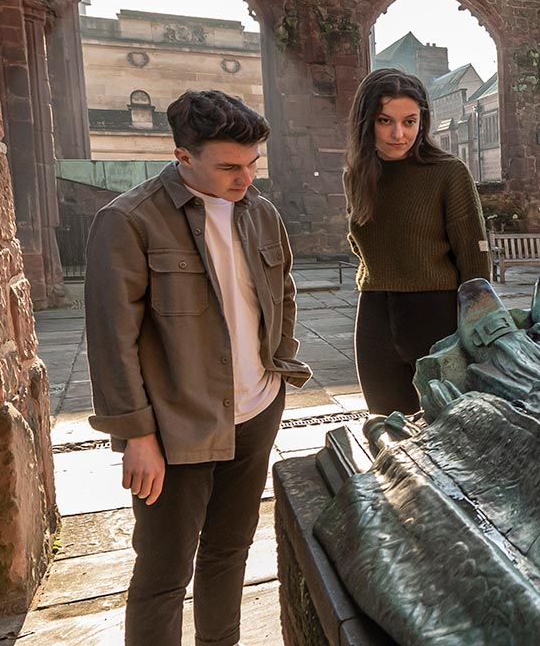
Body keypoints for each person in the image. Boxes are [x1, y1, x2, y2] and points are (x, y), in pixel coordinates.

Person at [85, 90, 311, 646]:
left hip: (257, 410)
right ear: (183, 156)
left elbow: (280, 291)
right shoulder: (128, 221)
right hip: (174, 427)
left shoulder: (262, 213)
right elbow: (110, 339)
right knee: (164, 575)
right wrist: (137, 435)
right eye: (230, 166)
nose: (246, 178)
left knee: (229, 553)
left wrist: (278, 367)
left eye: (253, 163)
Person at [345, 67, 490, 416]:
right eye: (385, 121)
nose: (399, 133)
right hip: (374, 317)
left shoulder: (448, 172)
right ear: (367, 122)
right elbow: (361, 244)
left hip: (436, 315)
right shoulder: (357, 174)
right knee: (387, 430)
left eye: (410, 121)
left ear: (422, 121)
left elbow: (473, 257)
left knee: (447, 434)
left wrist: (475, 325)